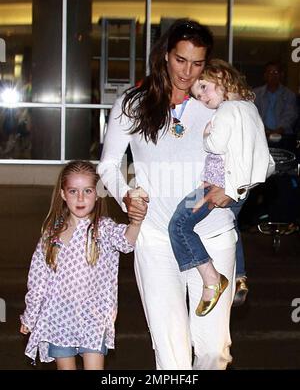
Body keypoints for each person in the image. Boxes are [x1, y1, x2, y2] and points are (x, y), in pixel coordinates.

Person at [98, 19, 239, 370]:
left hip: (212, 238)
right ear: (164, 56)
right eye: (180, 60)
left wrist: (233, 187)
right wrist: (126, 195)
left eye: (197, 64)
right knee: (172, 356)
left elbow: (257, 158)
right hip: (157, 241)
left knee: (213, 351)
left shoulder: (220, 104)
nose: (187, 72)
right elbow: (108, 166)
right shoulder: (133, 103)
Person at [168, 59, 275, 316]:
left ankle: (212, 278)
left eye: (204, 87)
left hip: (218, 186)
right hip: (229, 186)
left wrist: (207, 133)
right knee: (233, 227)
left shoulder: (226, 110)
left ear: (222, 79)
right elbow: (264, 160)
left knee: (178, 225)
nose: (202, 97)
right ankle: (239, 276)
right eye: (197, 94)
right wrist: (240, 189)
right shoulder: (250, 109)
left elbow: (215, 145)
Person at [19, 160, 143, 370]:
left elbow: (126, 242)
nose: (81, 198)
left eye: (87, 190)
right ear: (63, 194)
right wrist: (30, 316)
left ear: (97, 193)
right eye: (73, 191)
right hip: (58, 318)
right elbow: (38, 281)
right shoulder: (51, 235)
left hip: (93, 318)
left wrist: (136, 222)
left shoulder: (103, 229)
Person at [254, 61, 298, 138]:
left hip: (284, 136)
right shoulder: (256, 94)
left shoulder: (289, 95)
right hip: (260, 135)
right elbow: (254, 114)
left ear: (281, 75)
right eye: (270, 72)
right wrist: (264, 130)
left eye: (276, 72)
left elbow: (290, 115)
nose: (273, 75)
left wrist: (279, 130)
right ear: (265, 75)